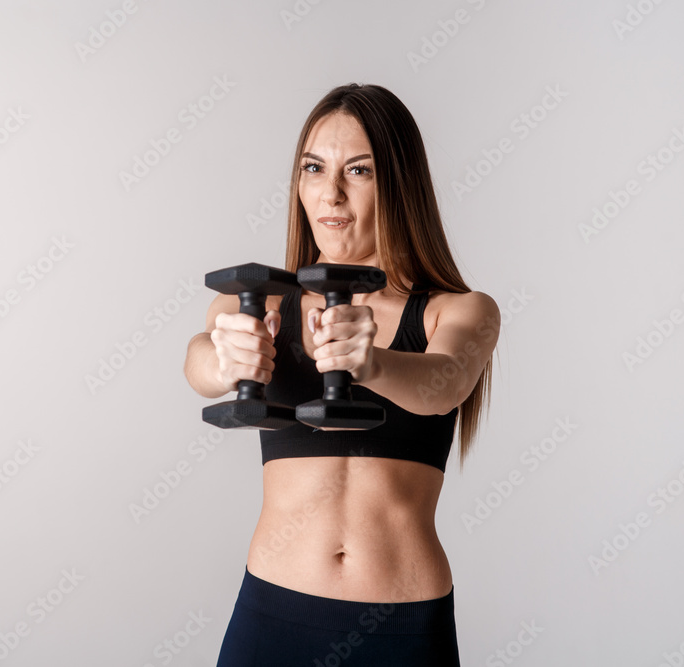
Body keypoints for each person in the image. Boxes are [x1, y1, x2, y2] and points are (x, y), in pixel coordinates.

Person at [183, 83, 500, 666]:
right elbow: (200, 360)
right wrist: (224, 360)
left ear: (399, 184)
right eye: (313, 168)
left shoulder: (458, 309)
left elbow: (446, 383)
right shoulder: (259, 302)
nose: (330, 193)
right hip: (273, 614)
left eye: (358, 170)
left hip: (402, 626)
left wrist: (372, 362)